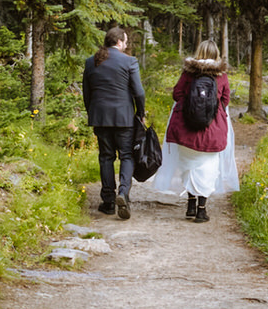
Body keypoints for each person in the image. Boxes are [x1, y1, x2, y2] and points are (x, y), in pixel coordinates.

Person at [148, 38, 239, 222]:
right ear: (216, 54)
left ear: (199, 52)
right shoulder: (221, 74)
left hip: (186, 128)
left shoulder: (188, 72)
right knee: (207, 168)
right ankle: (201, 210)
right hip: (211, 130)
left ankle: (190, 205)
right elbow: (226, 99)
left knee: (188, 166)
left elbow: (176, 94)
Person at [82, 26, 146, 220]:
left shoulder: (91, 62)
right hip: (124, 118)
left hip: (100, 118)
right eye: (125, 42)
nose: (126, 45)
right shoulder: (129, 61)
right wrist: (140, 114)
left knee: (106, 157)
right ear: (119, 42)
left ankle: (108, 202)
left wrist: (92, 113)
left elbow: (87, 93)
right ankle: (123, 193)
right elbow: (139, 92)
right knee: (126, 155)